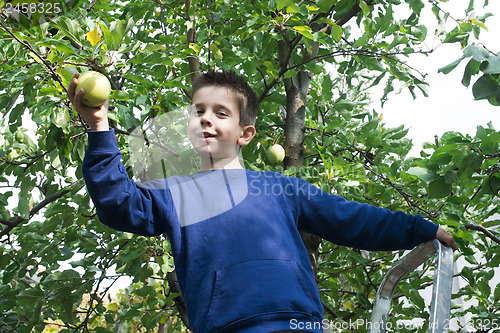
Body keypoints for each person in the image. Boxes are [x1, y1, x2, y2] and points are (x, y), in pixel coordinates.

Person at [68, 70, 457, 333]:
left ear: (245, 133)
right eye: (198, 112)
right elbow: (117, 202)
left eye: (220, 113)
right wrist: (99, 127)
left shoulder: (281, 189)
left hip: (297, 323)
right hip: (226, 325)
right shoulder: (175, 193)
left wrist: (422, 229)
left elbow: (352, 218)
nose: (206, 119)